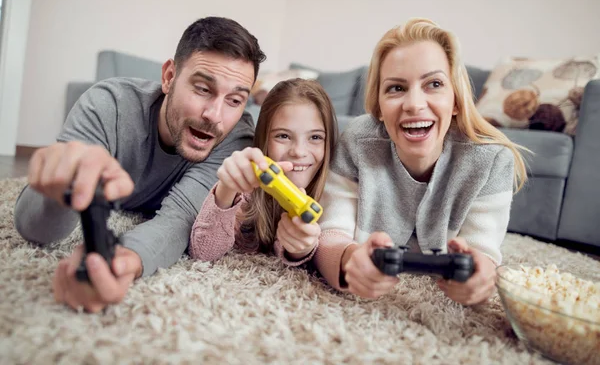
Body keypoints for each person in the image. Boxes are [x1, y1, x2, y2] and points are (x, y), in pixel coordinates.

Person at [14, 16, 266, 313]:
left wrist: (121, 263)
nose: (215, 115)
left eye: (234, 100)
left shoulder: (235, 140)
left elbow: (179, 221)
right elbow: (34, 230)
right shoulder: (108, 105)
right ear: (169, 77)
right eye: (202, 89)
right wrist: (62, 189)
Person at [312, 18, 528, 306]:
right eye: (396, 88)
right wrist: (348, 260)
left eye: (434, 84)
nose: (414, 104)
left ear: (456, 101)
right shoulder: (357, 142)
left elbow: (484, 252)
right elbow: (331, 233)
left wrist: (482, 276)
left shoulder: (491, 159)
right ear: (378, 107)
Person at [189, 78, 338, 264]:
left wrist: (300, 250)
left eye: (315, 137)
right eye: (283, 136)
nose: (299, 152)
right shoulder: (249, 190)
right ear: (264, 140)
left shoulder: (335, 193)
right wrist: (226, 189)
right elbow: (203, 253)